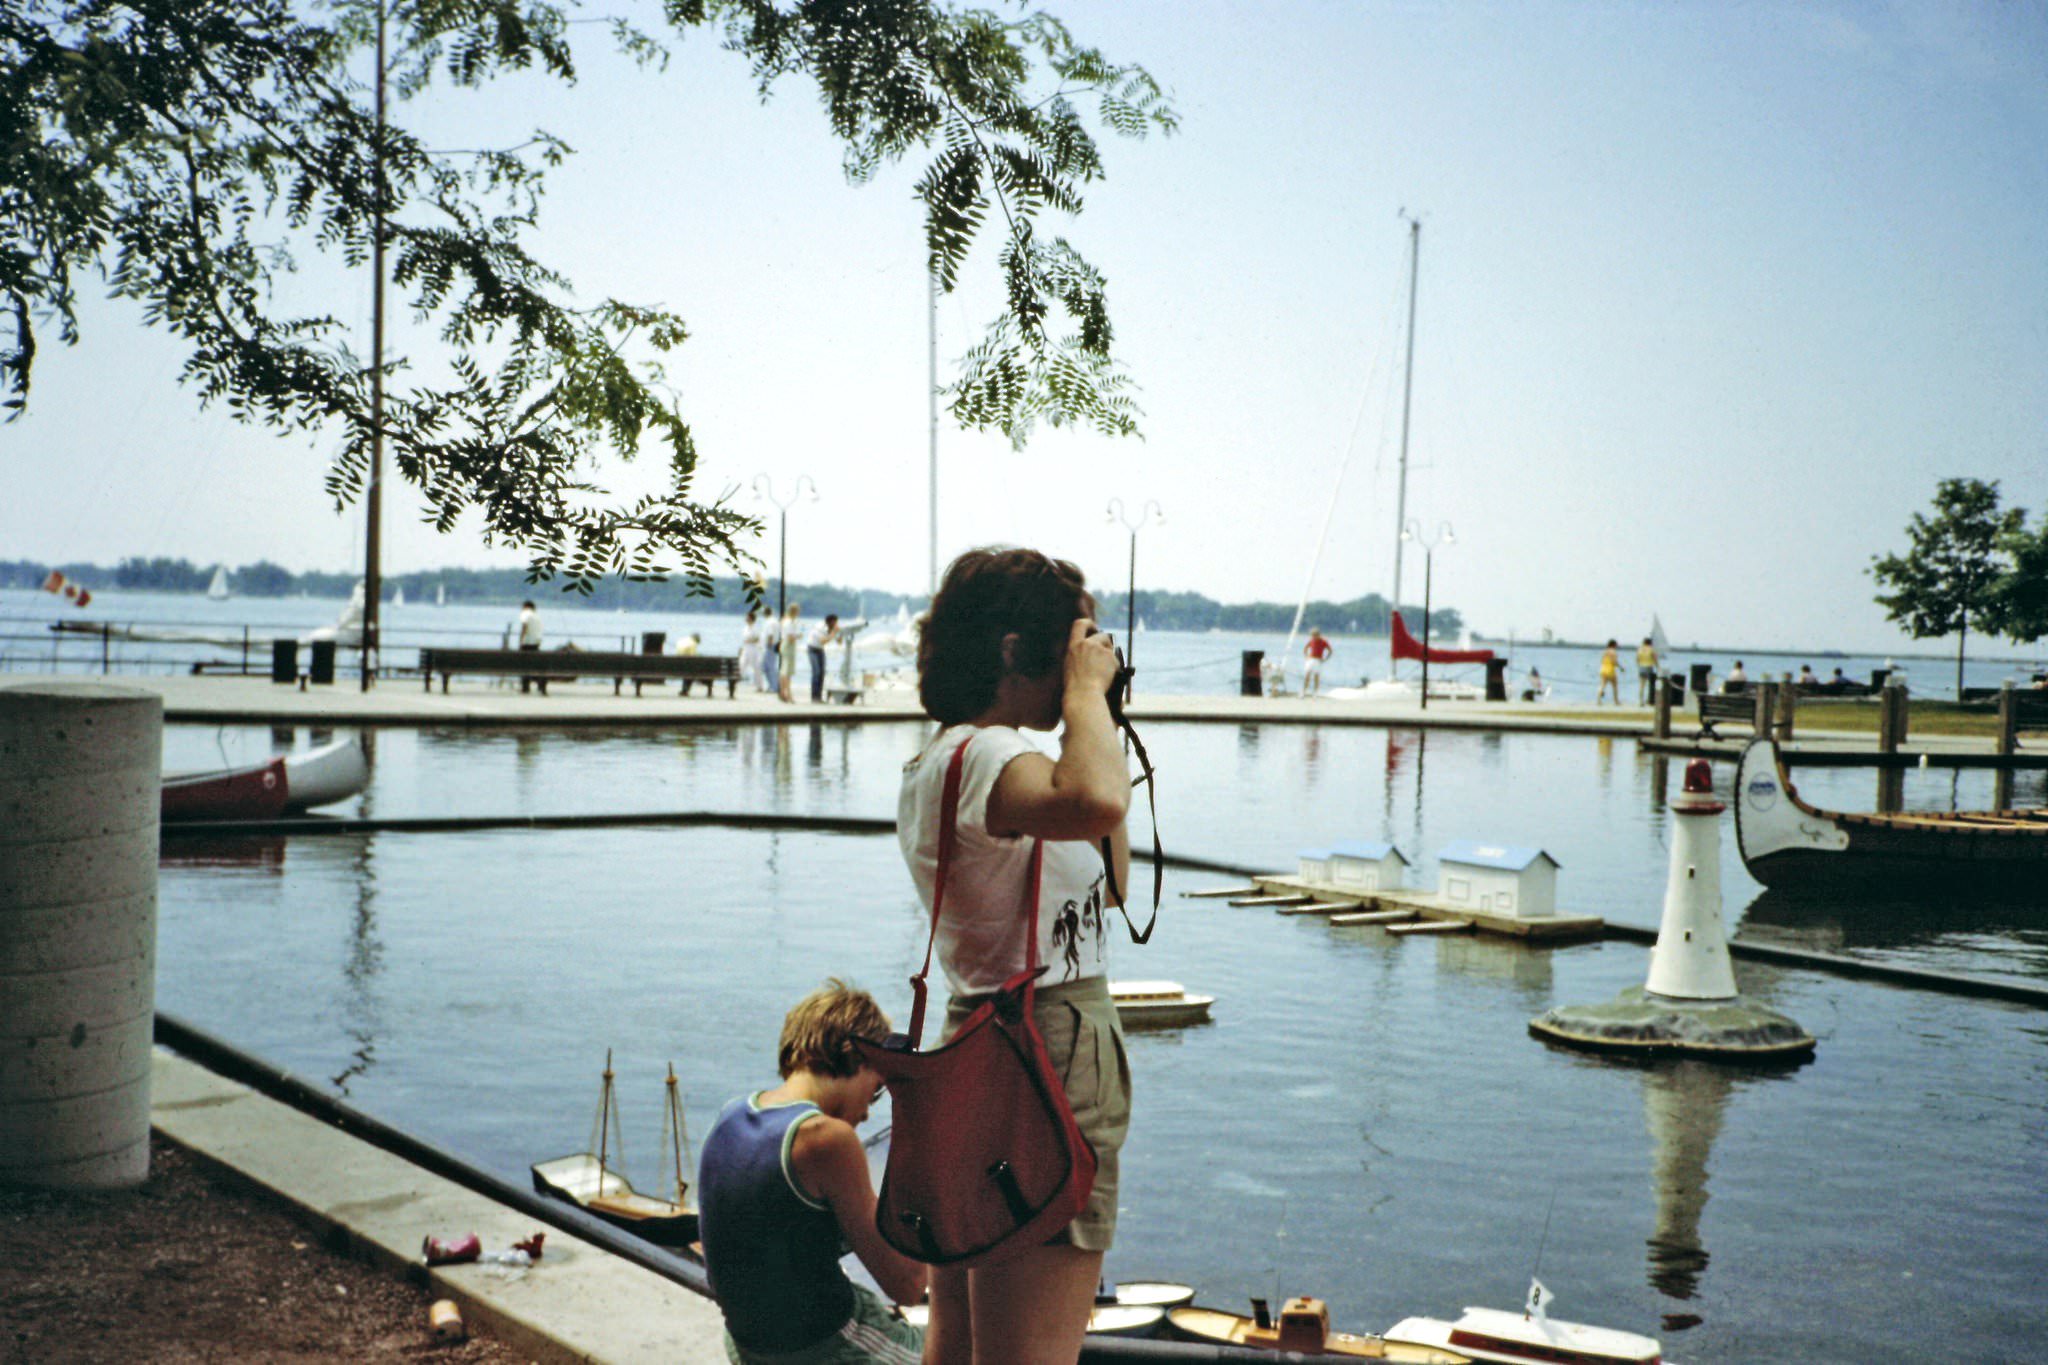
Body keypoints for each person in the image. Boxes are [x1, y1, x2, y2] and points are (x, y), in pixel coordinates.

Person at [899, 547, 1132, 1365]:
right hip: (1046, 1045)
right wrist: (1084, 697)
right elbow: (1100, 801)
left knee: (959, 1344)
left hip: (981, 1039)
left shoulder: (946, 758)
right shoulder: (994, 757)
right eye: (1069, 645)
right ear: (1011, 650)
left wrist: (1095, 719)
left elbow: (1114, 881)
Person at [696, 979, 927, 1365]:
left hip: (749, 1348)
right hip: (827, 1347)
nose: (869, 1111)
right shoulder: (825, 1139)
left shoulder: (731, 1115)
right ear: (856, 1057)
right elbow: (907, 1284)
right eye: (875, 1089)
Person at [807, 613, 841, 703]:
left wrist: (839, 633)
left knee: (822, 673)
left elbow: (839, 642)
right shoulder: (821, 627)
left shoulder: (830, 628)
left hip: (820, 650)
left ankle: (819, 696)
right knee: (816, 672)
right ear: (831, 622)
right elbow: (823, 641)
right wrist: (833, 633)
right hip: (812, 649)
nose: (836, 624)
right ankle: (814, 697)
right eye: (835, 622)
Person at [516, 600, 542, 694]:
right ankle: (540, 683)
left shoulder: (526, 613)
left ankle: (525, 687)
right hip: (536, 643)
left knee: (524, 665)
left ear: (526, 606)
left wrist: (521, 640)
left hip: (527, 643)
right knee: (533, 665)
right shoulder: (537, 616)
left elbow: (524, 626)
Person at [778, 605, 801, 704]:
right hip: (789, 645)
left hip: (785, 644)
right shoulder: (790, 622)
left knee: (784, 671)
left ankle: (783, 692)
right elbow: (791, 637)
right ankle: (788, 694)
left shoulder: (785, 621)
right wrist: (798, 636)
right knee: (787, 672)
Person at [1303, 627, 1332, 696]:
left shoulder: (1323, 642)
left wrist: (1325, 659)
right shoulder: (1311, 640)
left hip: (1318, 660)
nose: (1313, 637)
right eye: (1312, 635)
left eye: (1315, 635)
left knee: (1316, 676)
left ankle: (1315, 692)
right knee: (1307, 675)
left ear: (1318, 635)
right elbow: (1305, 648)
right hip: (1311, 659)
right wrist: (1306, 657)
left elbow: (1330, 651)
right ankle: (1304, 691)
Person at [1597, 639, 1622, 705]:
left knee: (1602, 685)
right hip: (1610, 670)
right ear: (1614, 645)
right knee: (1615, 687)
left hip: (1603, 669)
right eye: (1616, 645)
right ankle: (1616, 701)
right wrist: (1620, 667)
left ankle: (1598, 700)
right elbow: (1614, 662)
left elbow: (1602, 661)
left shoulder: (1605, 652)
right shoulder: (1614, 652)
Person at [1636, 637, 1660, 705]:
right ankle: (1650, 700)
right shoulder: (1651, 649)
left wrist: (1639, 666)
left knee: (1641, 686)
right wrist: (1658, 667)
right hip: (1649, 667)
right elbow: (1655, 660)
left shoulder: (1640, 649)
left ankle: (1640, 701)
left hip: (1641, 667)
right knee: (1651, 685)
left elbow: (1637, 659)